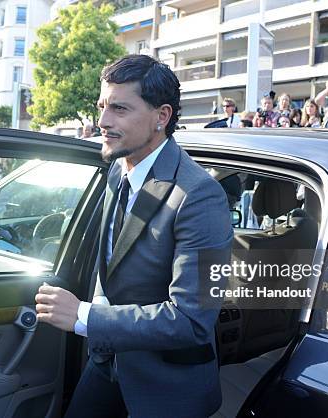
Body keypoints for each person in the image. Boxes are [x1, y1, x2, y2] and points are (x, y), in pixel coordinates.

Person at [34, 54, 233, 418]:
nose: (103, 121)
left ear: (162, 116)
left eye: (120, 109)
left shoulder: (200, 197)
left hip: (166, 388)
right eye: (102, 106)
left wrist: (84, 315)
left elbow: (192, 322)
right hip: (107, 365)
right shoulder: (116, 170)